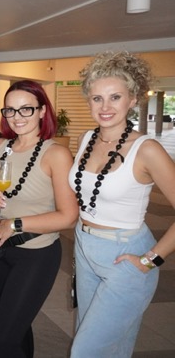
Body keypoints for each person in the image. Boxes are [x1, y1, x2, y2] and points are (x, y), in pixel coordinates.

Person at [69, 52, 175, 357]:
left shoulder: (147, 149)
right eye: (96, 98)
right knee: (114, 347)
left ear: (133, 99)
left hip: (125, 254)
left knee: (85, 351)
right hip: (84, 246)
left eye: (115, 97)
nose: (105, 107)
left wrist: (150, 260)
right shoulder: (85, 138)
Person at [0, 80, 78, 358]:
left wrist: (15, 224)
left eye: (26, 109)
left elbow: (69, 216)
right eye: (10, 110)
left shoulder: (56, 154)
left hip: (35, 254)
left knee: (4, 336)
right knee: (16, 327)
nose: (17, 117)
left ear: (41, 111)